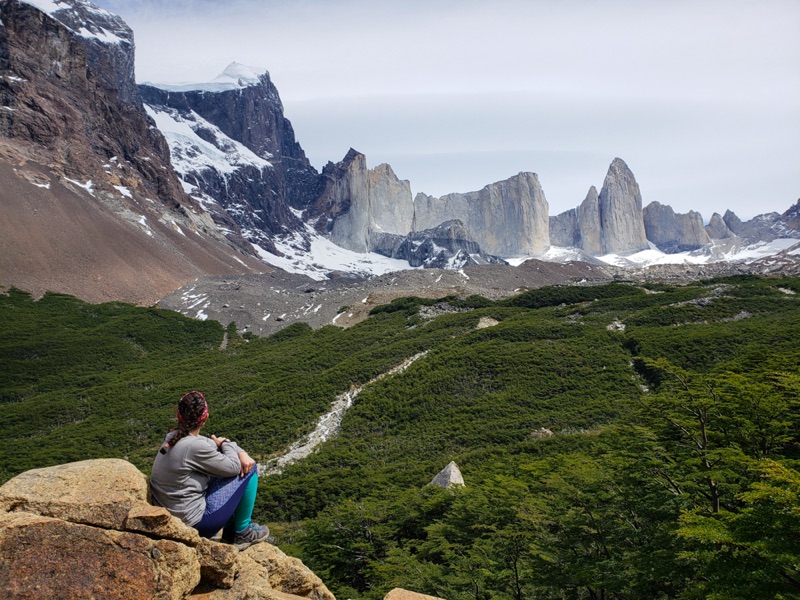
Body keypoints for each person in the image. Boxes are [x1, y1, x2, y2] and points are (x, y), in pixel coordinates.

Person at [150, 390, 271, 548]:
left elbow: (213, 444)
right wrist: (227, 444)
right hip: (195, 524)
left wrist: (238, 450)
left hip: (174, 516)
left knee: (226, 466)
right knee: (250, 469)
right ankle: (243, 532)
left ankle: (231, 532)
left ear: (179, 415)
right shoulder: (194, 446)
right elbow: (234, 467)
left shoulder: (174, 437)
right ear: (205, 418)